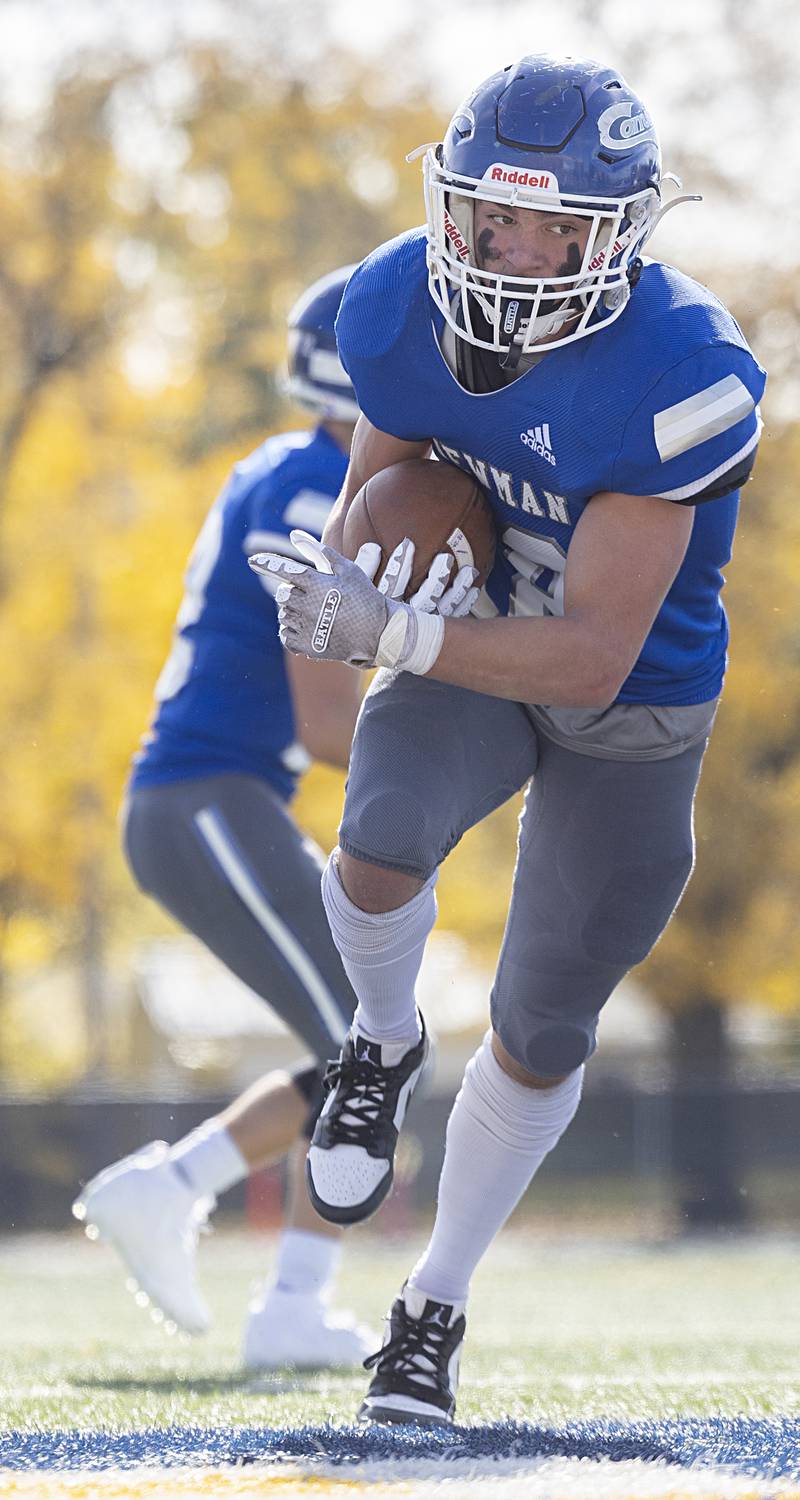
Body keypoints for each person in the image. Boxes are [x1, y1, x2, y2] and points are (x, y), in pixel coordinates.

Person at [252, 55, 767, 1422]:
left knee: (545, 1015)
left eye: (561, 227)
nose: (523, 252)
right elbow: (382, 493)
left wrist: (401, 638)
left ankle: (431, 1307)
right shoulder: (394, 306)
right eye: (500, 217)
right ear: (455, 207)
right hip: (471, 625)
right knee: (379, 837)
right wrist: (347, 586)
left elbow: (595, 651)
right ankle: (378, 1037)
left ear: (622, 232)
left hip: (630, 702)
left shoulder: (686, 372)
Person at [73, 266, 378, 1371]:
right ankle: (257, 1270)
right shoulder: (313, 491)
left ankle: (186, 1201)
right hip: (205, 797)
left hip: (213, 800)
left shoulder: (297, 469)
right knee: (372, 1046)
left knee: (368, 1048)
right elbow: (330, 723)